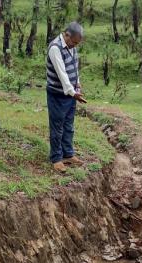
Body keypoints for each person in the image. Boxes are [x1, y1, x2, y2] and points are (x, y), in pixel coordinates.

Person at [46, 22, 87, 172]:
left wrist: (78, 84)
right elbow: (62, 74)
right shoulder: (55, 48)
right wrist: (73, 92)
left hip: (71, 94)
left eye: (77, 43)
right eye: (74, 42)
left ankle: (68, 154)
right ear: (67, 35)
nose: (75, 45)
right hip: (57, 94)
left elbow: (74, 68)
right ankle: (56, 158)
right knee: (57, 126)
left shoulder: (71, 47)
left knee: (68, 126)